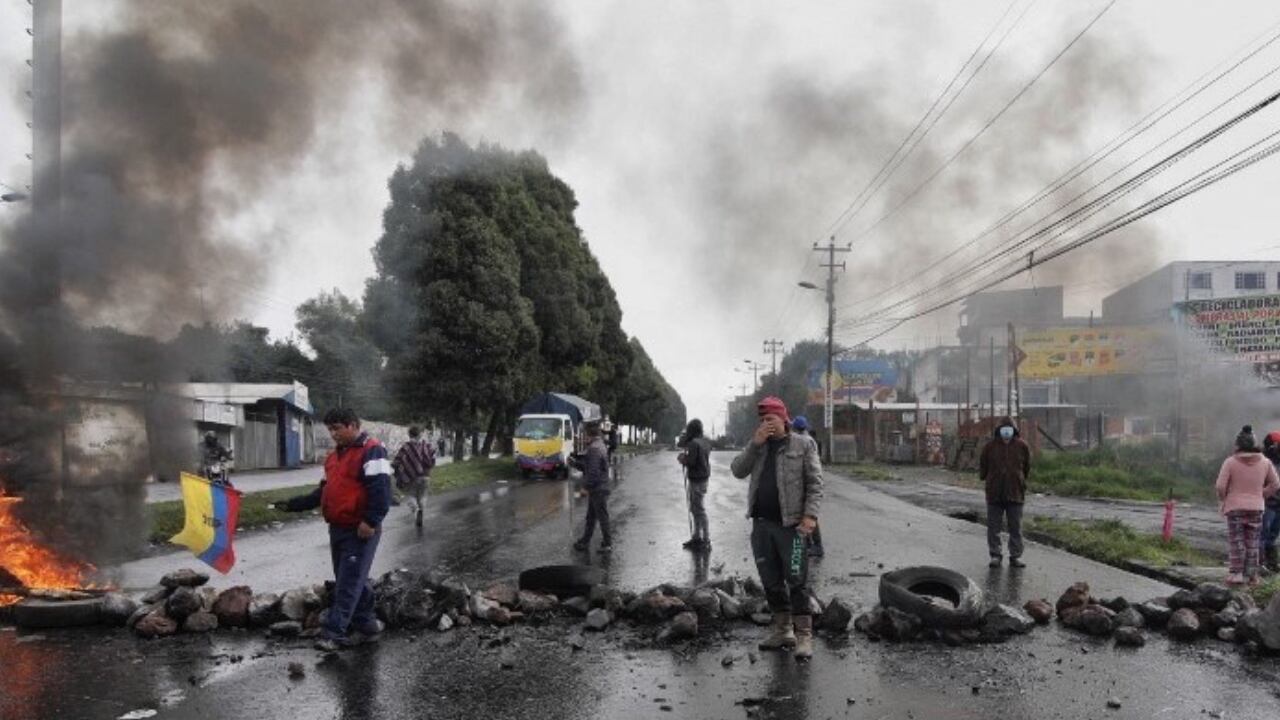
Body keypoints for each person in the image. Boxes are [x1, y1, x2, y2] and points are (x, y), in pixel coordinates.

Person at [274, 408, 392, 651]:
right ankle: (367, 626)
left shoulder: (372, 450)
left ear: (352, 425)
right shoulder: (334, 457)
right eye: (330, 429)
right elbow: (324, 492)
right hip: (338, 528)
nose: (332, 434)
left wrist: (370, 521)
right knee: (350, 578)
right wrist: (294, 504)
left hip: (360, 529)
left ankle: (333, 634)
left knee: (348, 582)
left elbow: (381, 489)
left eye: (337, 428)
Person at [730, 396, 823, 660]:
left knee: (797, 579)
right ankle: (783, 630)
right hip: (761, 527)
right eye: (762, 420)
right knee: (770, 581)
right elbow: (737, 470)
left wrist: (810, 516)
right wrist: (754, 443)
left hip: (791, 528)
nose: (766, 424)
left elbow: (816, 483)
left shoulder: (803, 444)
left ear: (784, 418)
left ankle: (804, 636)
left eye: (770, 418)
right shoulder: (758, 447)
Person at [1216, 425, 1280, 587]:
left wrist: (1225, 499)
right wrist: (1261, 494)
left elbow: (1220, 486)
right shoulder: (1265, 462)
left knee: (1236, 540)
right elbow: (1275, 484)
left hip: (1235, 506)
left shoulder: (1230, 462)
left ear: (1238, 444)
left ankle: (1236, 573)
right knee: (1253, 541)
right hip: (1257, 507)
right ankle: (1252, 576)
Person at [979, 417, 1031, 569]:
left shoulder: (1022, 446)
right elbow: (983, 465)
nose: (1006, 432)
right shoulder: (990, 446)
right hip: (994, 492)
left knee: (1015, 527)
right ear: (998, 431)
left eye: (1009, 429)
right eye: (1003, 429)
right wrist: (986, 477)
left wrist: (1020, 479)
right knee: (994, 527)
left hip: (1015, 493)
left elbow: (1027, 466)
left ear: (1014, 430)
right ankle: (995, 555)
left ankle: (1015, 557)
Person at [572, 422, 613, 553]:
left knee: (602, 517)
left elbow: (593, 473)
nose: (582, 438)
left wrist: (586, 487)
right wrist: (574, 463)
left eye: (584, 435)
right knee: (591, 517)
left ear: (589, 435)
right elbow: (589, 468)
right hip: (598, 487)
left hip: (598, 488)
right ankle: (585, 541)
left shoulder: (594, 449)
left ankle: (607, 544)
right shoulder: (599, 445)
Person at [677, 418, 714, 551]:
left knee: (698, 509)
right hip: (703, 478)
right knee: (696, 508)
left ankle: (705, 538)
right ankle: (698, 536)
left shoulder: (693, 443)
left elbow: (691, 462)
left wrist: (682, 459)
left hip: (696, 479)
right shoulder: (705, 442)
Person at [791, 416, 825, 558]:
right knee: (805, 515)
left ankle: (817, 546)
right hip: (804, 482)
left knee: (809, 515)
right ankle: (810, 544)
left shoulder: (806, 442)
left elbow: (810, 468)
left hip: (806, 482)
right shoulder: (807, 439)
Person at [393, 426, 435, 528]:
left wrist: (398, 469)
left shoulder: (406, 447)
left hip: (412, 477)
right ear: (419, 434)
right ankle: (421, 509)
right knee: (423, 496)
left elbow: (397, 461)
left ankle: (416, 511)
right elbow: (432, 457)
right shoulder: (426, 445)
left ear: (410, 435)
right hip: (425, 476)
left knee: (410, 495)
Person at [1262, 431, 1280, 572]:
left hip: (1277, 504)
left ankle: (1272, 564)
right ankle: (1260, 564)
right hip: (1267, 503)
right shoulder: (1263, 461)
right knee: (1263, 534)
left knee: (1273, 535)